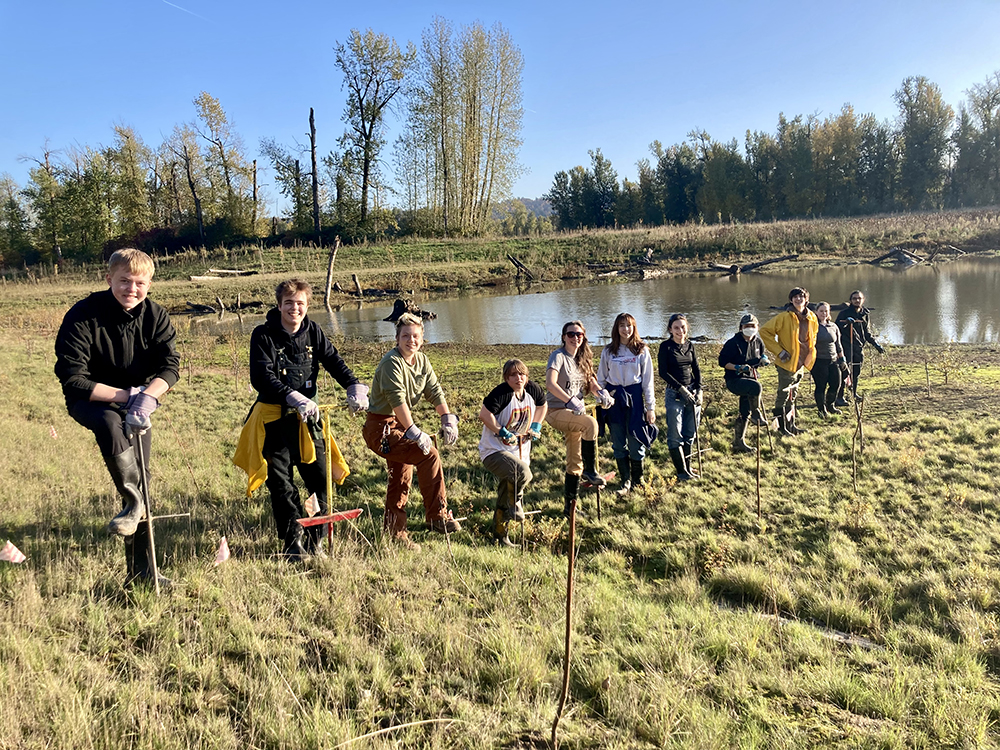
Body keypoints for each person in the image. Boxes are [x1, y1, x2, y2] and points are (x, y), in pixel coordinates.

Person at [54, 248, 179, 588]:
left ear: (149, 284)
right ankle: (132, 502)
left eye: (140, 283)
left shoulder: (155, 316)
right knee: (110, 424)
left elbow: (171, 366)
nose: (131, 289)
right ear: (109, 279)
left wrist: (148, 397)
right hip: (91, 401)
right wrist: (128, 396)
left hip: (139, 402)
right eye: (124, 281)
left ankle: (142, 572)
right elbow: (72, 377)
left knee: (144, 477)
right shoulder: (82, 315)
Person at [241, 279, 368, 561]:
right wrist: (291, 396)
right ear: (279, 305)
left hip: (308, 420)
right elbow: (261, 376)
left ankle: (316, 539)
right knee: (282, 484)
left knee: (320, 478)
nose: (294, 309)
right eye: (289, 303)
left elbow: (333, 360)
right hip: (273, 420)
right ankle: (292, 543)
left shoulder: (313, 331)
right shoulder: (262, 335)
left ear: (307, 305)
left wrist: (353, 385)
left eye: (300, 303)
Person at [362, 313, 461, 551]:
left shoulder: (422, 361)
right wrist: (415, 432)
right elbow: (397, 401)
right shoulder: (391, 363)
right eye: (405, 336)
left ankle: (394, 532)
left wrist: (447, 418)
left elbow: (434, 391)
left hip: (399, 426)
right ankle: (437, 517)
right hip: (381, 428)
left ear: (422, 339)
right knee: (428, 455)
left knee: (400, 476)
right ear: (397, 338)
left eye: (416, 336)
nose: (411, 340)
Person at [545, 321, 612, 517]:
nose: (575, 338)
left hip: (575, 414)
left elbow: (592, 384)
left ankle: (570, 508)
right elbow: (550, 384)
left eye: (579, 335)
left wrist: (602, 394)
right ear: (564, 336)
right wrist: (570, 400)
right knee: (591, 424)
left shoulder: (583, 358)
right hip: (557, 411)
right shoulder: (558, 357)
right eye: (571, 334)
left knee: (574, 461)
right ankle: (590, 472)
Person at [478, 360, 547, 547]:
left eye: (522, 374)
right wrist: (502, 431)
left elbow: (542, 405)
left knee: (505, 492)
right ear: (506, 378)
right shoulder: (502, 393)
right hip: (494, 451)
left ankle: (500, 537)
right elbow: (484, 415)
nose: (519, 378)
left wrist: (536, 425)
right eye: (513, 375)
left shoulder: (532, 390)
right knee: (523, 474)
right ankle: (515, 503)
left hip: (519, 451)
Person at [597, 313, 656, 495]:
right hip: (615, 401)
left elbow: (648, 381)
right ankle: (625, 481)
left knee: (636, 439)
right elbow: (600, 380)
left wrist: (650, 407)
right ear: (616, 328)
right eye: (622, 325)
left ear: (634, 327)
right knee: (618, 441)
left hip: (636, 400)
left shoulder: (641, 350)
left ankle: (638, 479)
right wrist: (603, 396)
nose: (626, 329)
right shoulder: (608, 351)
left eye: (629, 325)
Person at [760, 287, 818, 436]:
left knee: (793, 395)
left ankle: (791, 425)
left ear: (806, 299)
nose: (798, 299)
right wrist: (779, 351)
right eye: (795, 297)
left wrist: (810, 353)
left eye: (801, 297)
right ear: (791, 300)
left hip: (801, 364)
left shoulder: (812, 317)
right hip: (786, 363)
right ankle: (781, 427)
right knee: (783, 396)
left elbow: (814, 336)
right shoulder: (784, 317)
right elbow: (764, 331)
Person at [657, 313, 701, 481]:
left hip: (692, 393)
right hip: (674, 394)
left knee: (690, 433)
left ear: (687, 327)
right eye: (676, 328)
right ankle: (681, 472)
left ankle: (688, 469)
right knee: (675, 434)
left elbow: (696, 369)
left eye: (682, 327)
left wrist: (698, 389)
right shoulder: (665, 347)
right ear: (670, 329)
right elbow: (663, 372)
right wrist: (681, 389)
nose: (680, 330)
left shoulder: (690, 345)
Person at [718, 313, 770, 454]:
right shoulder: (733, 343)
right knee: (756, 387)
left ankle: (739, 442)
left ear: (757, 327)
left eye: (752, 326)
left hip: (751, 377)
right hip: (734, 380)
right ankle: (756, 413)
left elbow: (760, 356)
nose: (750, 328)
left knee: (744, 411)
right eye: (747, 326)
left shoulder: (758, 342)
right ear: (741, 328)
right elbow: (722, 362)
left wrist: (763, 359)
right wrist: (737, 367)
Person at [834, 289, 885, 405]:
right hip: (846, 346)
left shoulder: (865, 314)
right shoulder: (844, 313)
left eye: (859, 298)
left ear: (863, 300)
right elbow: (836, 328)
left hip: (858, 346)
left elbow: (866, 333)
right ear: (851, 300)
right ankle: (839, 397)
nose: (857, 300)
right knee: (844, 372)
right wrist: (846, 323)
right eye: (854, 298)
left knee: (856, 372)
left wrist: (875, 344)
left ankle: (853, 394)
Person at [812, 302, 848, 418]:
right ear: (816, 312)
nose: (824, 313)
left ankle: (830, 405)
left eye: (826, 311)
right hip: (818, 361)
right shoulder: (812, 327)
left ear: (829, 313)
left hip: (833, 360)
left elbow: (838, 344)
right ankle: (821, 410)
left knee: (835, 384)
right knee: (821, 385)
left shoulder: (833, 326)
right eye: (821, 311)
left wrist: (842, 359)